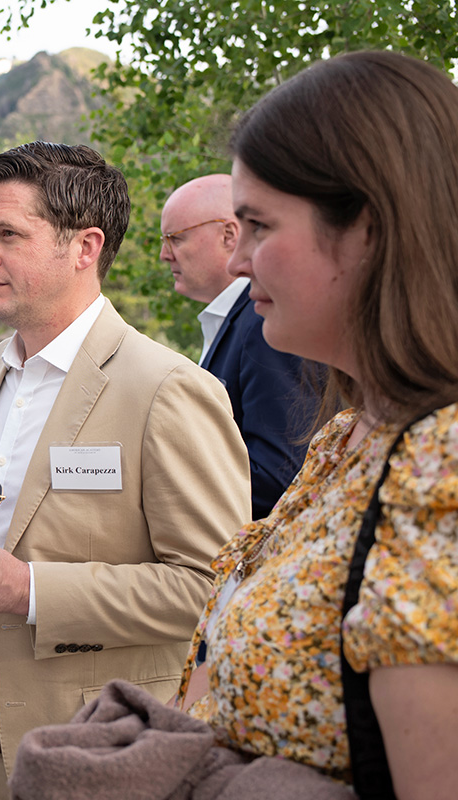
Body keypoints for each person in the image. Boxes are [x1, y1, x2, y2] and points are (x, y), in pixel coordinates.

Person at [0, 142, 252, 799]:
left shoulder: (166, 389)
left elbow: (210, 589)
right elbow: (7, 524)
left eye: (7, 235)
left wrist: (30, 591)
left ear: (84, 247)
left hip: (88, 764)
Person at [165, 51, 458, 796]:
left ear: (367, 225)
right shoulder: (349, 436)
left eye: (258, 225)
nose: (240, 263)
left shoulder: (442, 463)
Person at [161, 174, 316, 519]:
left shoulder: (265, 325)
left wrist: (158, 499)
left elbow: (278, 474)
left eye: (175, 238)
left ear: (229, 235)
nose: (163, 255)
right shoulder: (241, 320)